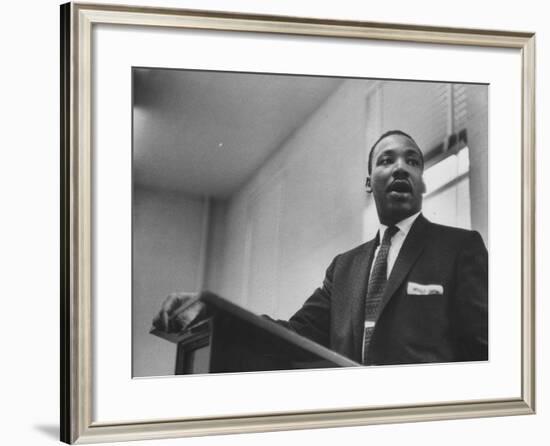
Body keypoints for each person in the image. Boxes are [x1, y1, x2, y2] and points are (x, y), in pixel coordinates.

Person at [153, 130, 488, 366]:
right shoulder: (343, 268)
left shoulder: (459, 248)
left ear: (423, 182)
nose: (401, 167)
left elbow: (486, 351)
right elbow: (293, 334)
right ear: (369, 182)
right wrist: (210, 312)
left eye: (413, 161)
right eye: (387, 160)